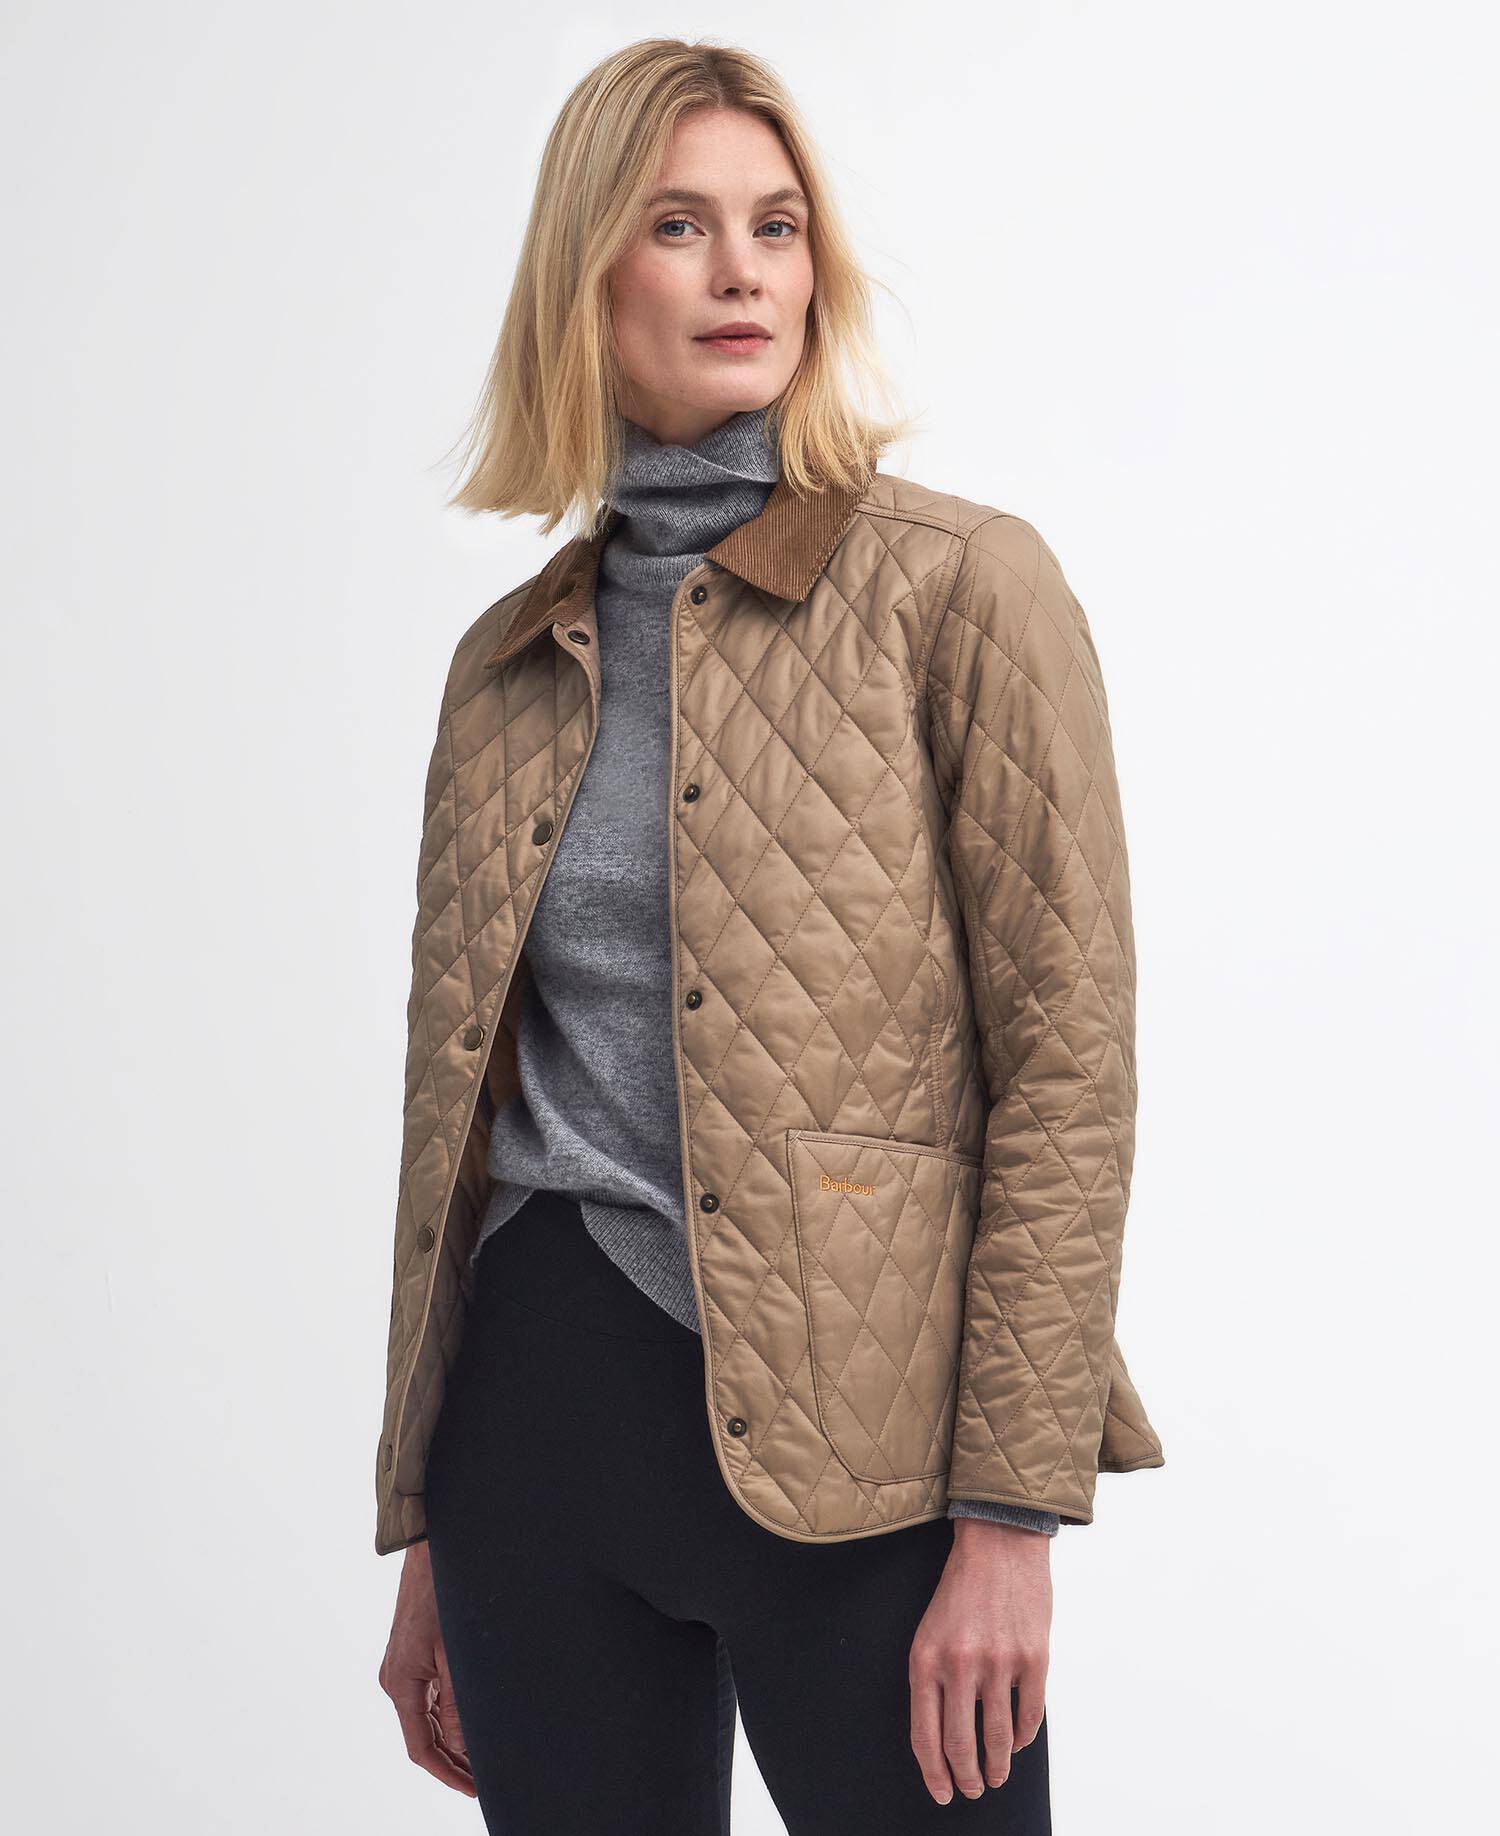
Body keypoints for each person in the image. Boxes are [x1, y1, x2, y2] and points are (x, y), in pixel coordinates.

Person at [375, 36, 1162, 1836]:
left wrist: (1011, 1525)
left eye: (777, 225)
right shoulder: (505, 667)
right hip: (530, 1453)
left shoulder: (959, 588)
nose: (741, 271)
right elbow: (463, 1130)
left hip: (865, 1465)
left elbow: (1068, 1072)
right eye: (678, 225)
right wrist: (431, 1534)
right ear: (587, 276)